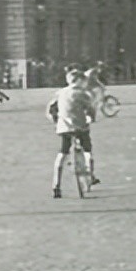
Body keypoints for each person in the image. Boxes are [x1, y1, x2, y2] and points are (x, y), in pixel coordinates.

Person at [47, 70, 100, 198]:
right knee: (88, 150)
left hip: (64, 127)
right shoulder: (83, 94)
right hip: (80, 127)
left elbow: (51, 109)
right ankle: (91, 175)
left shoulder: (60, 93)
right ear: (80, 81)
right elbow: (91, 109)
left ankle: (56, 185)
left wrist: (55, 120)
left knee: (63, 153)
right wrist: (91, 118)